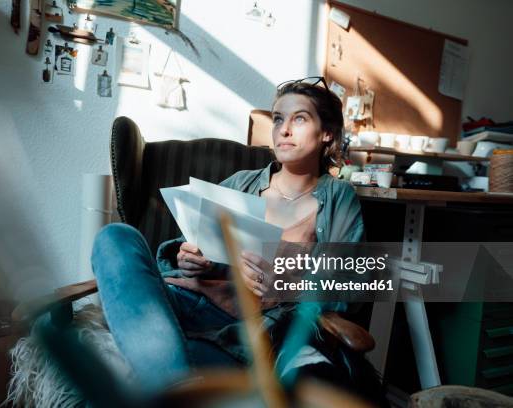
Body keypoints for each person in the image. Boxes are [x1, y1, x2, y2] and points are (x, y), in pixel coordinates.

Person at [91, 77, 384, 405]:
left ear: (327, 132)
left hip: (251, 334)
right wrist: (186, 257)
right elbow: (191, 244)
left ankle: (167, 382)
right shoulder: (241, 183)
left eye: (299, 118)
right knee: (116, 236)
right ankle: (168, 373)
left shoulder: (337, 198)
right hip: (187, 304)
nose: (284, 130)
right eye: (277, 119)